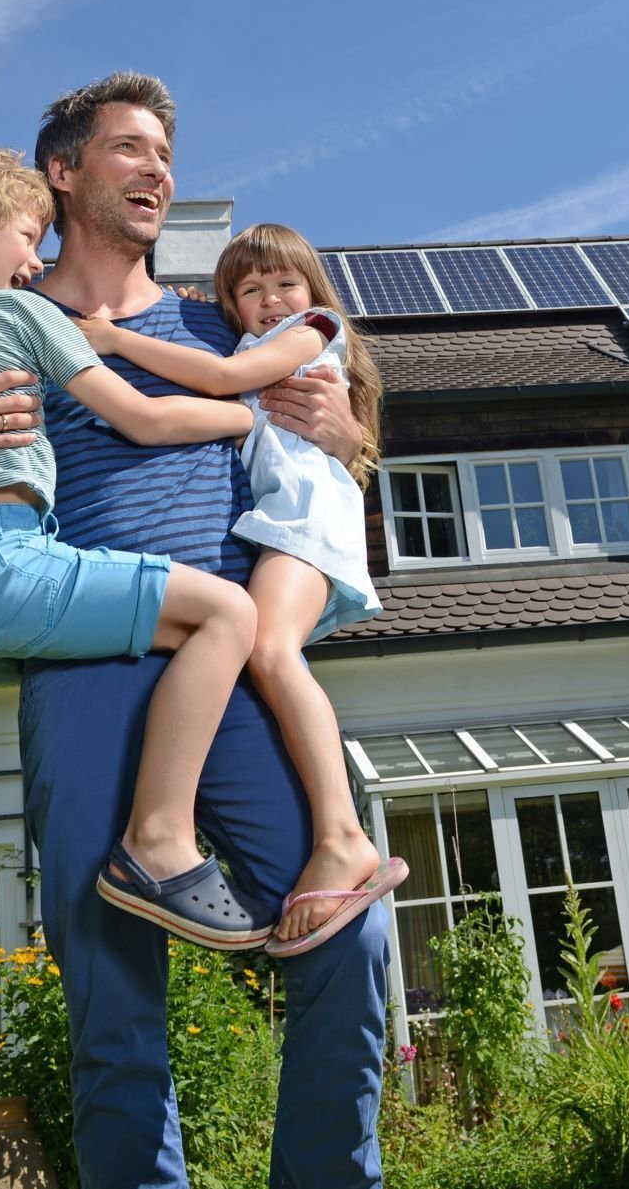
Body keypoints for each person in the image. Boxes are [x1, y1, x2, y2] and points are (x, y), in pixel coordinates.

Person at [0, 74, 390, 1187]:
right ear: (62, 172)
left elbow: (324, 468)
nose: (159, 172)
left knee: (348, 928)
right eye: (131, 150)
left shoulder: (218, 329)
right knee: (110, 995)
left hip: (230, 661)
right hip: (86, 656)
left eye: (166, 155)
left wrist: (348, 431)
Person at [0, 141, 322, 948]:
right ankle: (161, 843)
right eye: (27, 238)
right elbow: (143, 417)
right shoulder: (22, 312)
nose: (36, 261)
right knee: (225, 613)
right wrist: (249, 417)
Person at [78, 221, 393, 954]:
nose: (270, 298)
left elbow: (218, 381)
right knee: (264, 651)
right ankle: (335, 833)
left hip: (306, 522)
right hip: (283, 528)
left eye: (285, 282)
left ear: (314, 291)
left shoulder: (314, 331)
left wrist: (116, 340)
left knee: (273, 649)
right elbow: (178, 413)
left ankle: (344, 836)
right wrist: (190, 312)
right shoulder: (253, 355)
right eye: (250, 290)